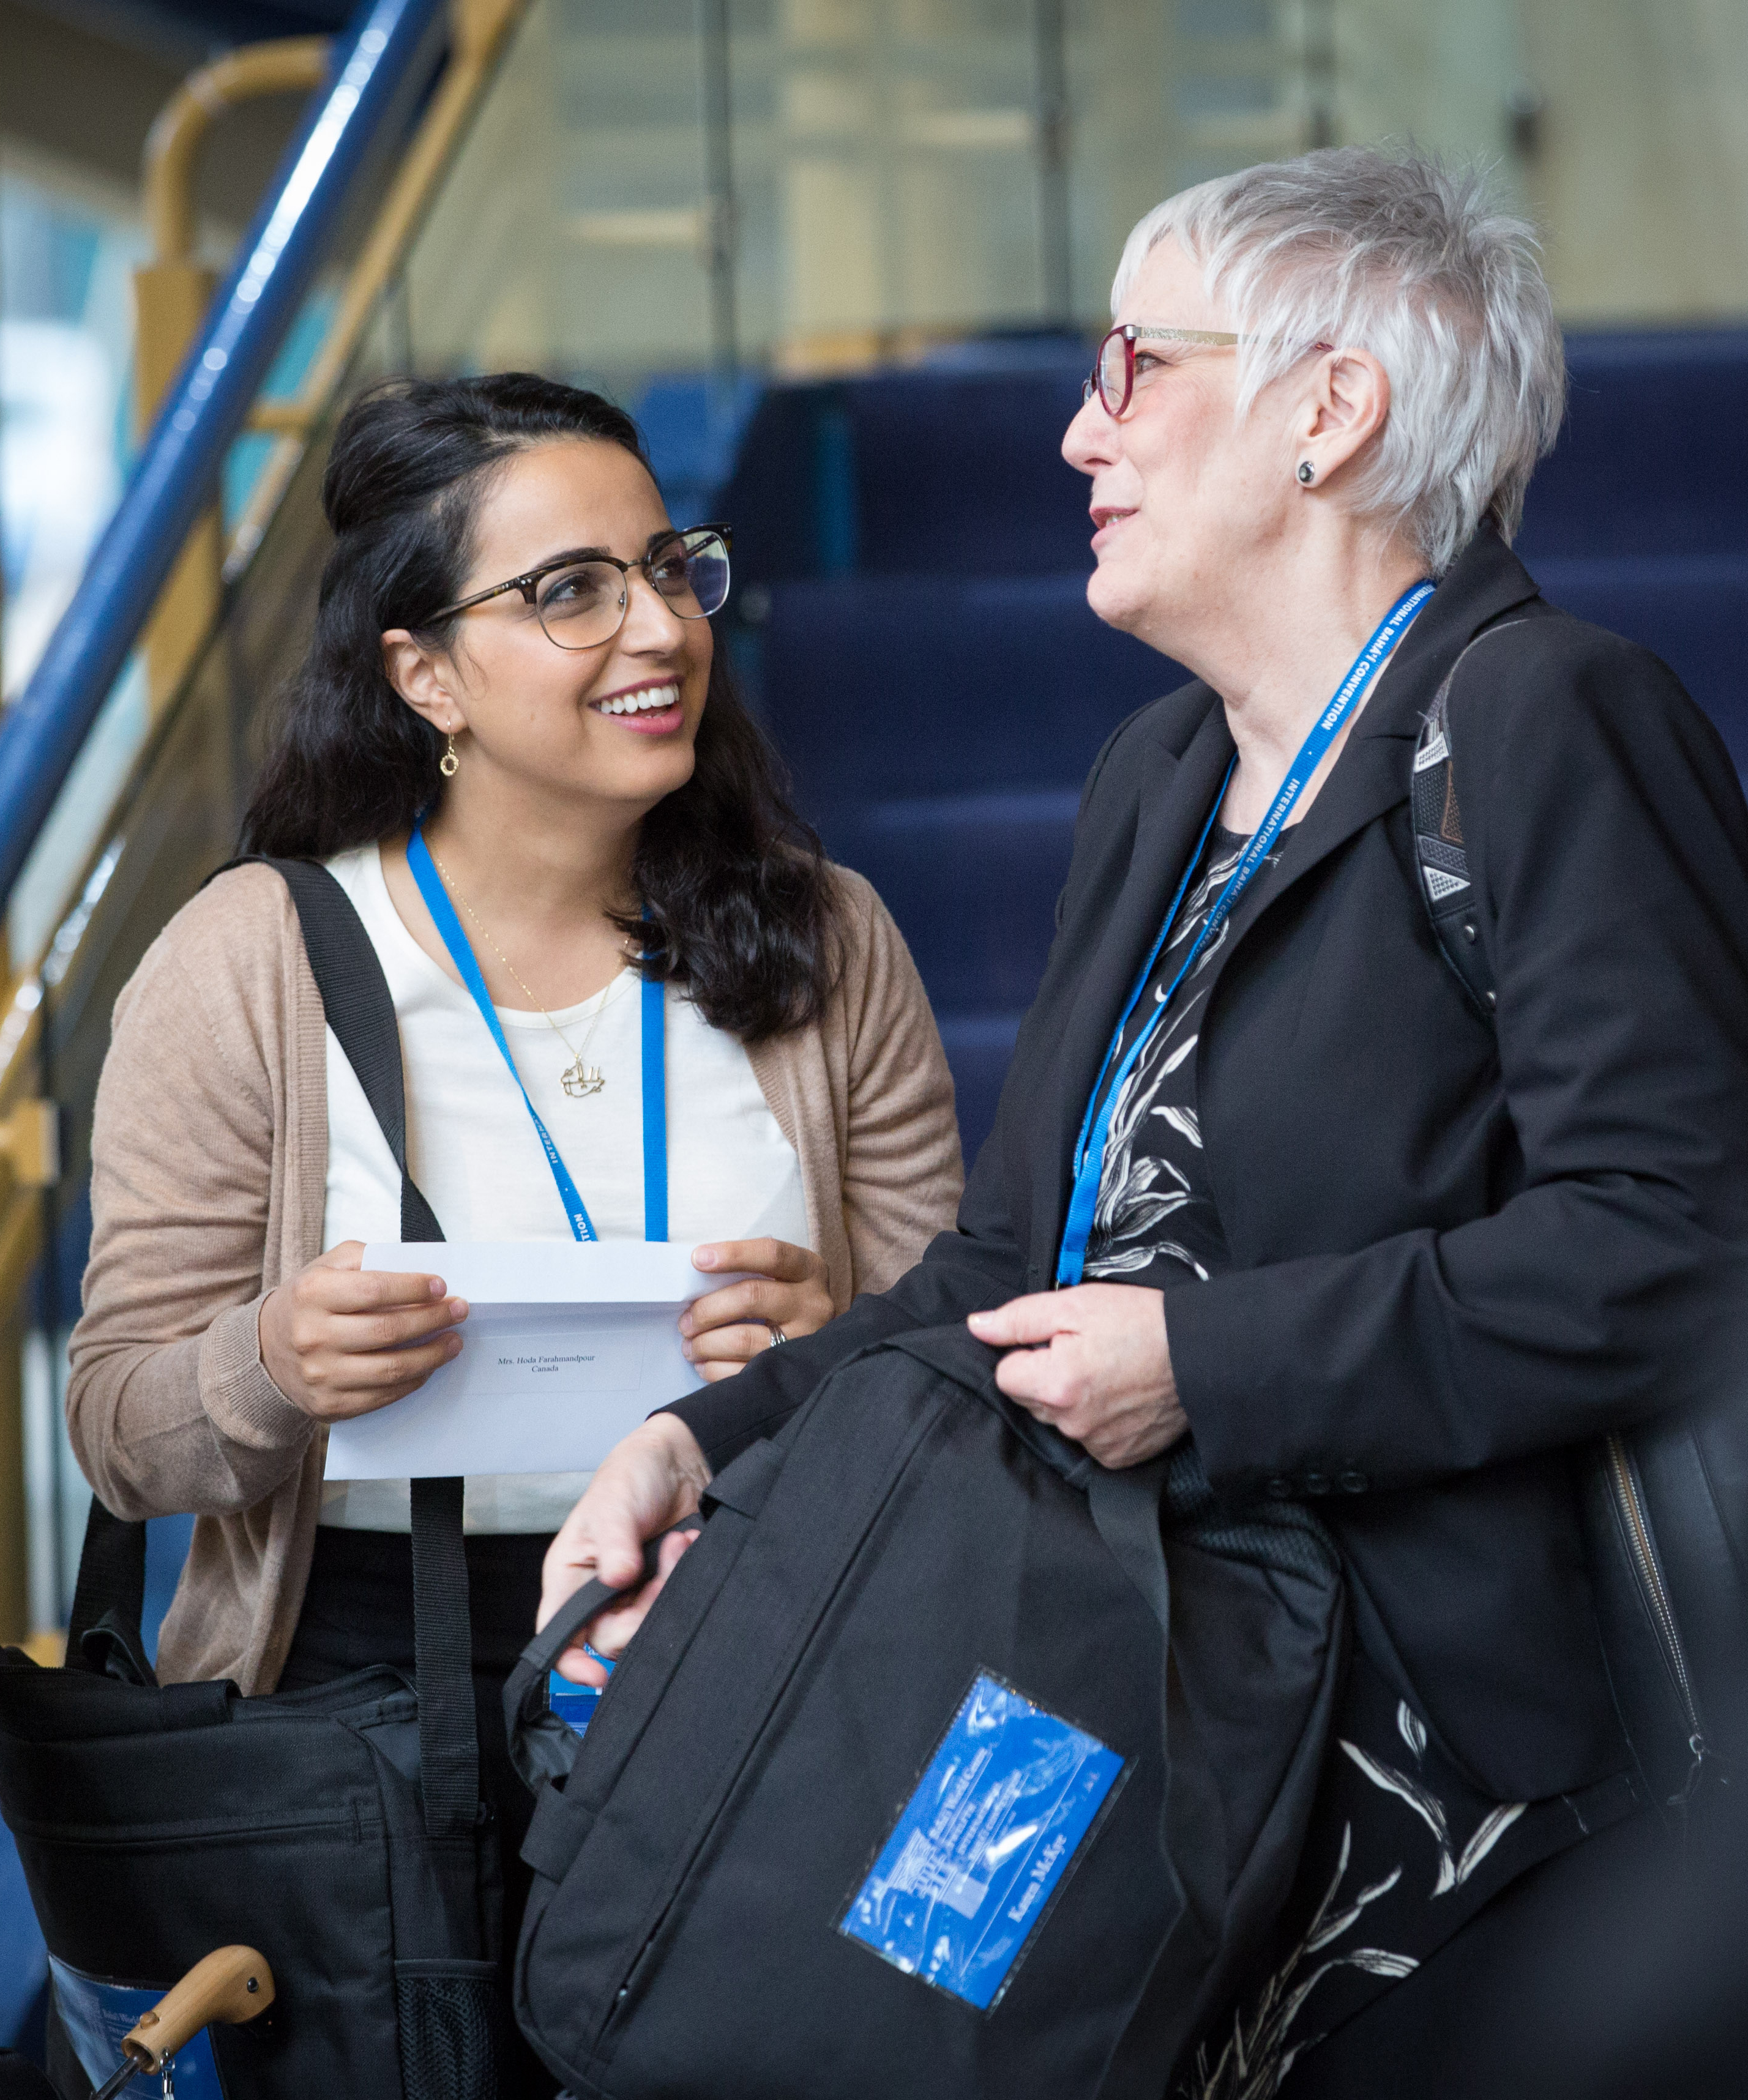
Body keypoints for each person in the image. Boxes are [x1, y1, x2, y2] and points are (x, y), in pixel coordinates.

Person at [539, 151, 1748, 2091]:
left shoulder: (1548, 720)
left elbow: (1676, 1240)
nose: (1081, 427)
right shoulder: (1165, 769)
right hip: (1132, 1722)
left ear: (1329, 412)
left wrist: (1209, 1362)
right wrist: (705, 1443)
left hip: (1447, 1823)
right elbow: (1021, 1270)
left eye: (1134, 361)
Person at [65, 374, 962, 2079]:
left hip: (755, 1651)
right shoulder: (252, 961)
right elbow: (118, 1430)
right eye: (569, 591)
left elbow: (969, 1353)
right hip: (359, 1702)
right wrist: (270, 1364)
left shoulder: (829, 943)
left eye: (666, 567)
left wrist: (846, 1342)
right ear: (421, 675)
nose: (658, 627)